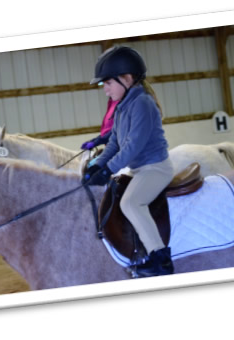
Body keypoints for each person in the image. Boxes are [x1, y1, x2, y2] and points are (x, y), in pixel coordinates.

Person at [82, 46, 174, 277]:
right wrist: (98, 165)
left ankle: (160, 259)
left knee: (131, 203)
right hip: (140, 169)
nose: (105, 90)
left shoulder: (142, 103)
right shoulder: (123, 107)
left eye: (108, 83)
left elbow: (133, 145)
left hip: (155, 169)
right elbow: (114, 142)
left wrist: (109, 168)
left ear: (126, 79)